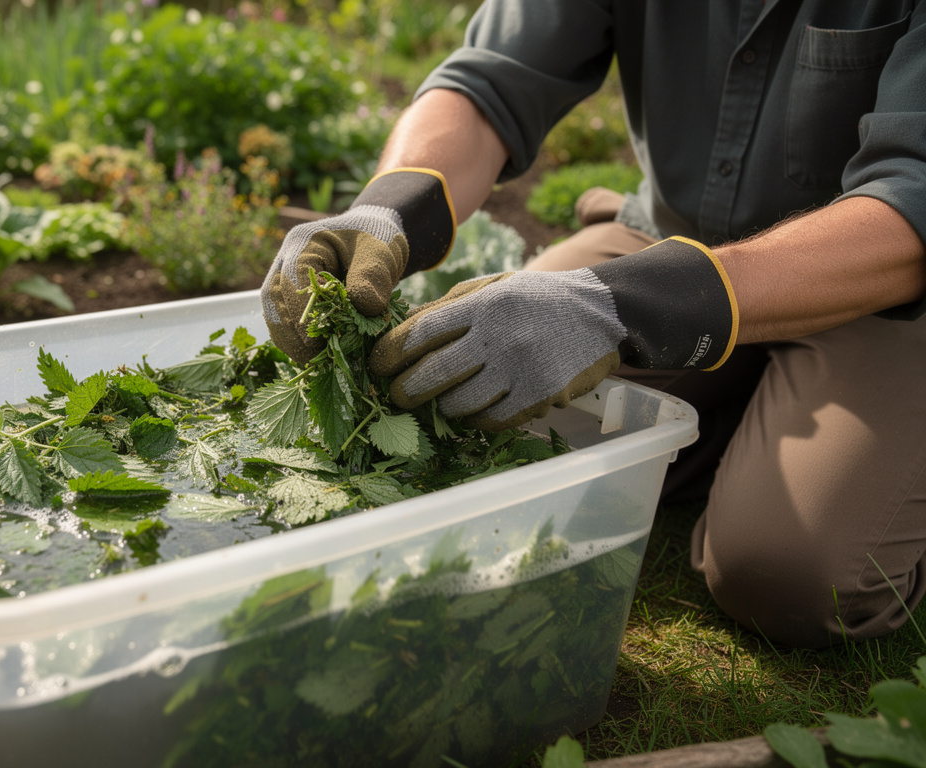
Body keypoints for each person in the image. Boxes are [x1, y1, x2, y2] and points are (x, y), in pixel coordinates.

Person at [262, 0, 926, 649]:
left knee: (788, 575)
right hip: (670, 247)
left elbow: (912, 194)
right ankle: (743, 413)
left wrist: (621, 306)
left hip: (876, 284)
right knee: (472, 415)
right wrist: (385, 211)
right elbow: (490, 79)